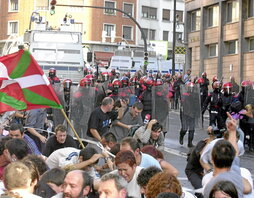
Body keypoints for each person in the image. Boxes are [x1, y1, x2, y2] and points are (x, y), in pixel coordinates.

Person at [185, 126, 216, 198]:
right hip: (193, 171)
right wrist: (209, 141)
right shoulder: (202, 143)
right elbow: (202, 155)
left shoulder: (217, 145)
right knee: (201, 191)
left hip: (206, 171)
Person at [179, 82, 201, 147]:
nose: (191, 89)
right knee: (184, 128)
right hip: (185, 113)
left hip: (193, 113)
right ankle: (181, 136)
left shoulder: (196, 95)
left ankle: (190, 142)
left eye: (192, 88)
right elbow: (182, 104)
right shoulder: (184, 95)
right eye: (190, 88)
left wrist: (198, 112)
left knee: (192, 129)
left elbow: (197, 105)